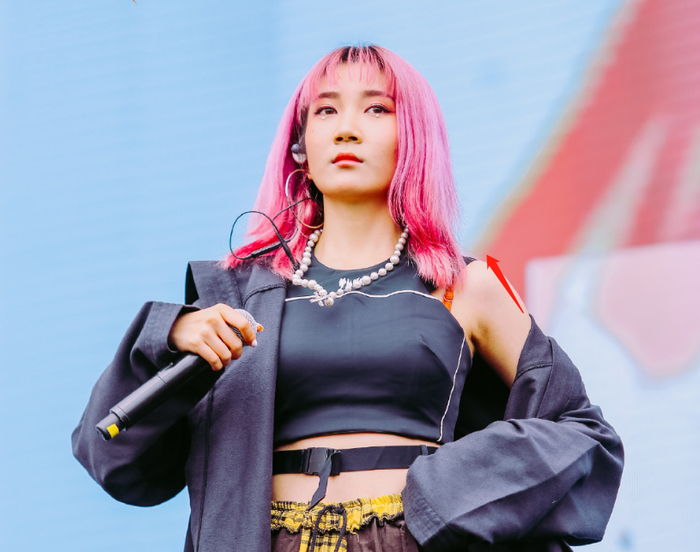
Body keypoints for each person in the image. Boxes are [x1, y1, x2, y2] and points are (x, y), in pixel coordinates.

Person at [73, 45, 623, 552]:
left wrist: (444, 492)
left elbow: (582, 433)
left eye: (377, 109)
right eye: (326, 111)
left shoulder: (465, 284)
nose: (347, 130)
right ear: (300, 147)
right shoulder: (240, 294)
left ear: (414, 138)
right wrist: (168, 337)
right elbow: (113, 458)